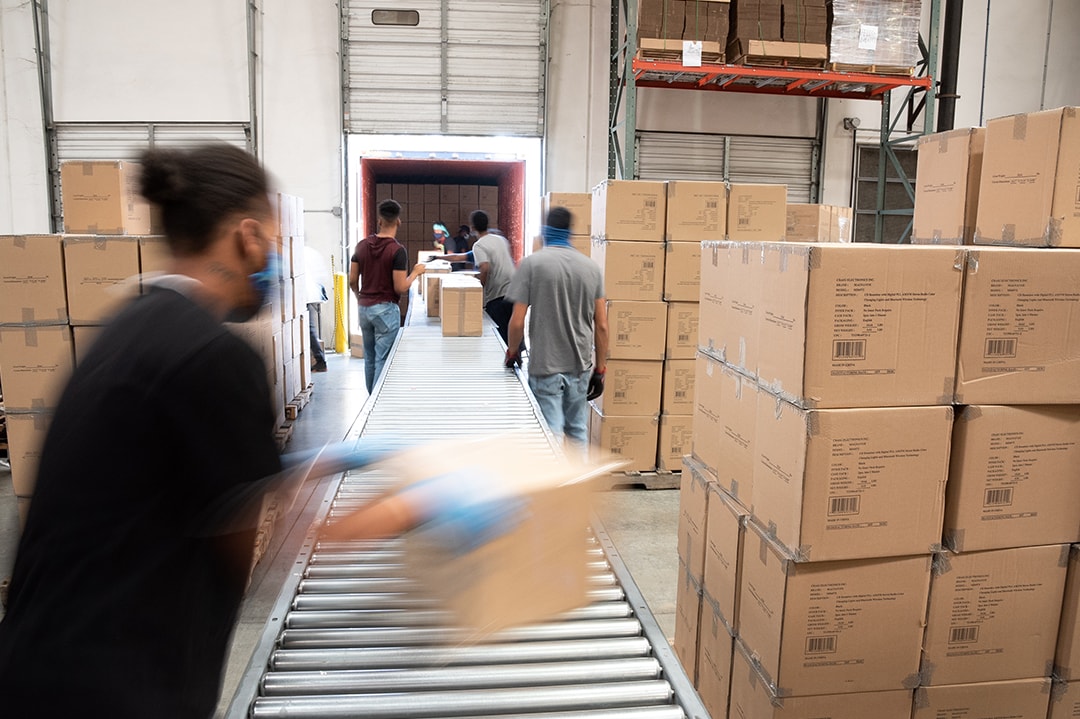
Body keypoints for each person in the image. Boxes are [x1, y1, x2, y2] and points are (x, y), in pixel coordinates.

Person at [0, 144, 285, 717]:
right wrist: (411, 507)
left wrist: (325, 465)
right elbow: (251, 546)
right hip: (116, 690)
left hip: (37, 671)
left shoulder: (130, 326)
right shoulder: (213, 355)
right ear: (248, 235)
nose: (271, 259)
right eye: (272, 242)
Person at [504, 206, 608, 454]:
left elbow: (517, 321)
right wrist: (600, 369)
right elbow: (602, 325)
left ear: (545, 231)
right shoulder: (591, 268)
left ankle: (554, 490)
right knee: (577, 431)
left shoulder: (532, 264)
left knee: (549, 433)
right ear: (570, 232)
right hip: (580, 366)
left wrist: (512, 351)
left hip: (545, 366)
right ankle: (576, 490)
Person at [350, 199, 426, 392]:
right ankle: (375, 408)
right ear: (398, 222)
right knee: (382, 359)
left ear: (379, 220)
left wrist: (360, 298)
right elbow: (400, 287)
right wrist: (416, 272)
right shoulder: (397, 251)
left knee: (369, 358)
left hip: (364, 309)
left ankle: (370, 398)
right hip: (385, 310)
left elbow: (352, 280)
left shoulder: (361, 246)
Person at [436, 210, 519, 347]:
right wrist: (438, 257)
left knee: (500, 336)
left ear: (472, 228)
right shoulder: (500, 240)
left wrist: (478, 292)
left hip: (498, 295)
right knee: (512, 332)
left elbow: (484, 268)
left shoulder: (479, 245)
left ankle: (507, 363)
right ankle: (517, 358)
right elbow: (459, 257)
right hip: (514, 291)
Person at [305, 244, 331, 372]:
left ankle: (320, 361)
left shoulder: (298, 253)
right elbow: (321, 275)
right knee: (309, 329)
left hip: (304, 295)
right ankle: (319, 360)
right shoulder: (312, 251)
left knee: (309, 330)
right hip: (311, 293)